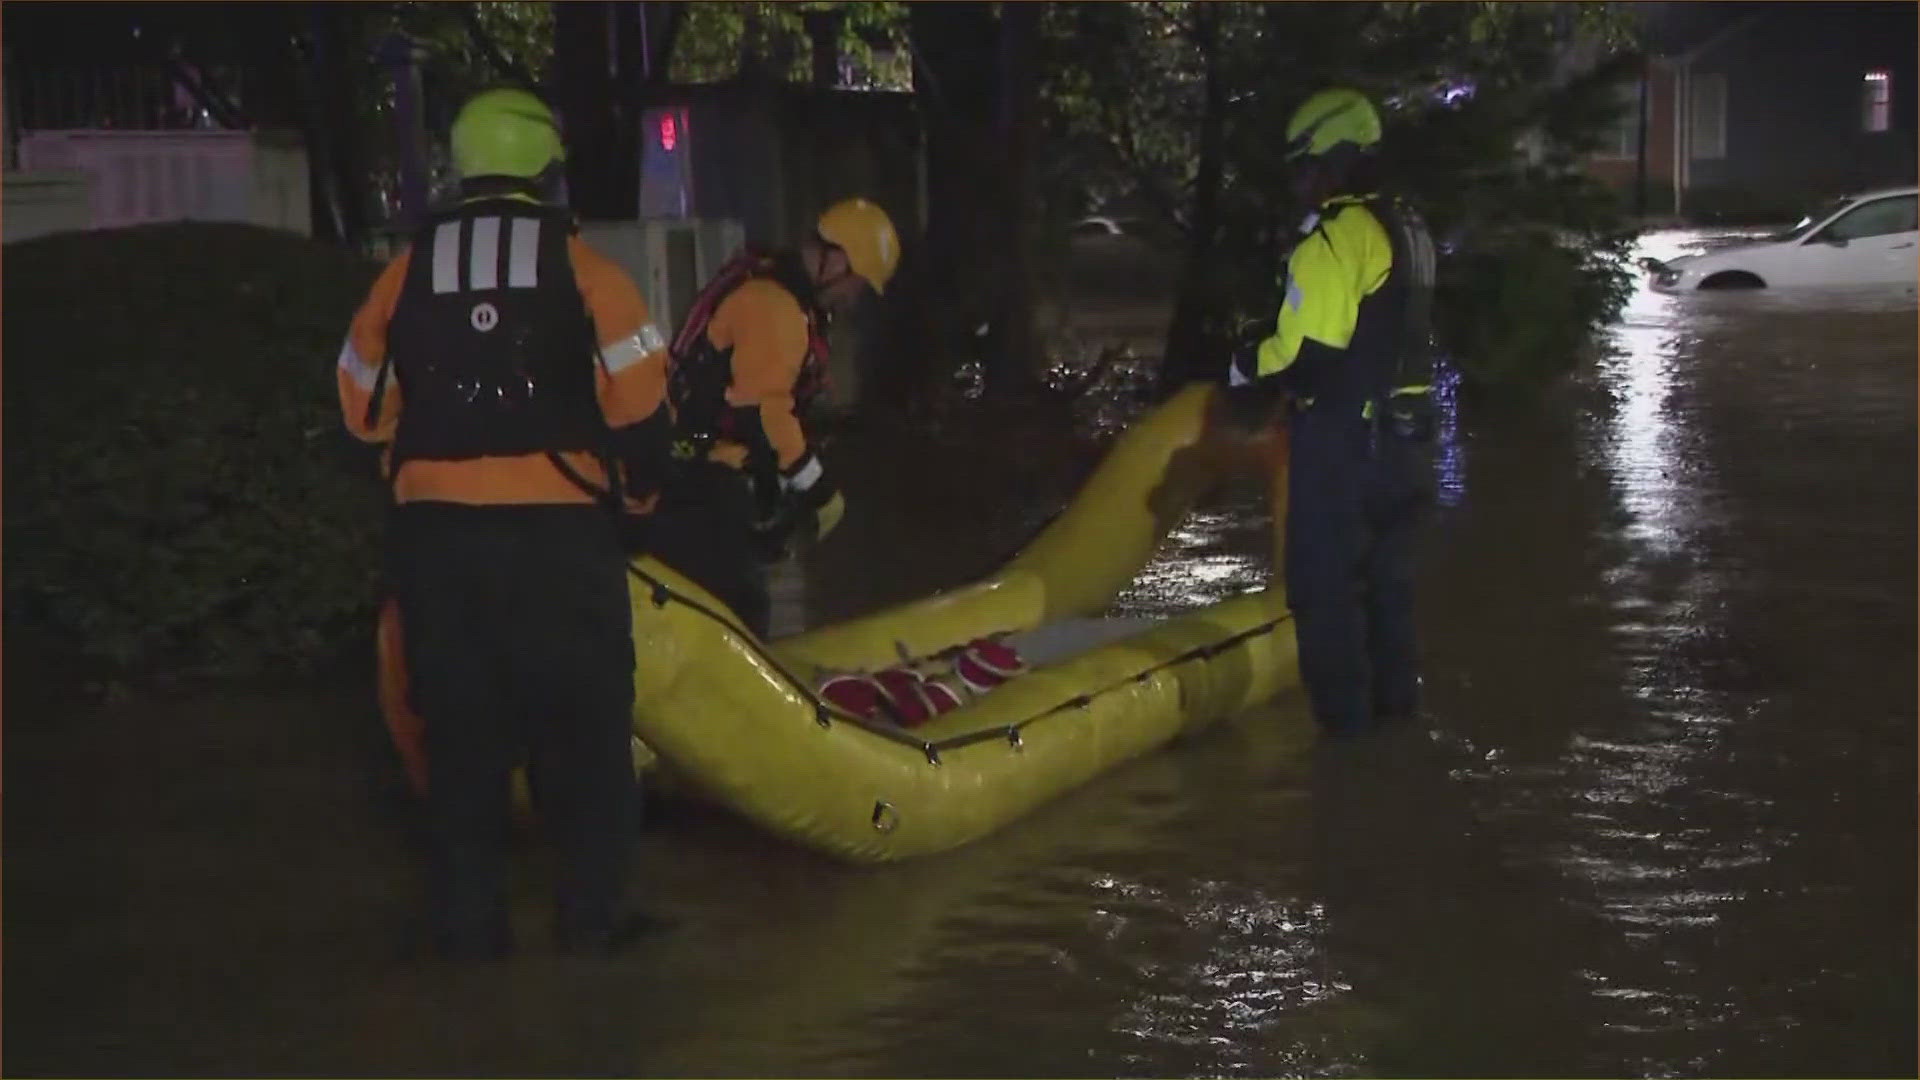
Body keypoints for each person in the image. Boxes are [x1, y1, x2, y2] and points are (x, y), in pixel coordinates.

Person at [334, 88, 675, 959]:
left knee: (459, 734)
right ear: (544, 170)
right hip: (560, 542)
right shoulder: (590, 271)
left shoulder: (404, 271)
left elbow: (359, 404)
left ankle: (468, 932)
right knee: (590, 730)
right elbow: (641, 417)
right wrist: (634, 506)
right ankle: (593, 922)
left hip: (439, 543)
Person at [1217, 87, 1438, 737]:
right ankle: (1396, 751)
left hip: (1349, 447)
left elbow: (1303, 355)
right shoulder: (1410, 226)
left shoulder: (1336, 241)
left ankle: (1343, 761)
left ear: (1335, 159)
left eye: (1306, 166)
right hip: (1412, 446)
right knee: (1389, 597)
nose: (1301, 182)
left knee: (1324, 595)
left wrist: (1241, 363)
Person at [644, 198, 900, 638]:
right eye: (855, 283)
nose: (853, 296)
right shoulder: (775, 306)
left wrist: (773, 487)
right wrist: (815, 487)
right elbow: (763, 409)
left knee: (727, 606)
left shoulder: (769, 289)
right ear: (834, 260)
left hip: (698, 473)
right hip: (703, 485)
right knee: (736, 616)